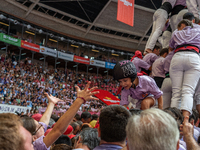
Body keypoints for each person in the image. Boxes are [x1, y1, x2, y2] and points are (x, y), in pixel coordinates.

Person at [169, 19, 200, 118]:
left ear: (180, 26)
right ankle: (185, 121)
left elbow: (170, 47)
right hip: (193, 57)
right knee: (188, 91)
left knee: (176, 92)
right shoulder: (198, 31)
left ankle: (173, 120)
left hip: (177, 56)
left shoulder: (176, 32)